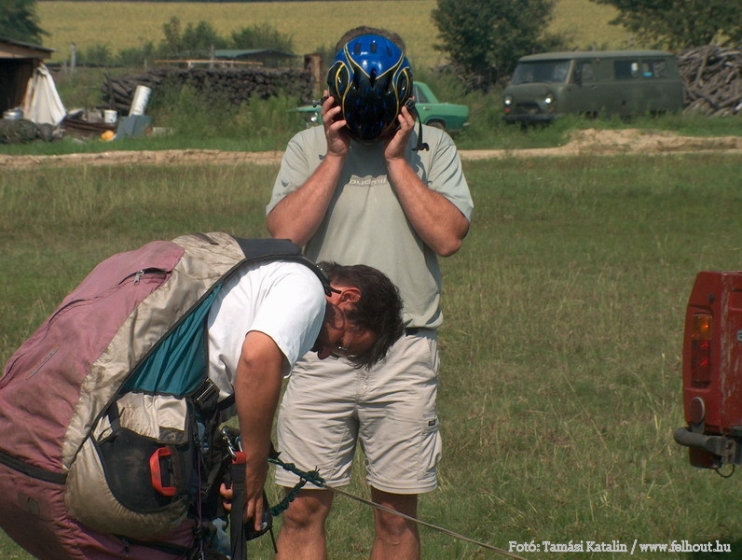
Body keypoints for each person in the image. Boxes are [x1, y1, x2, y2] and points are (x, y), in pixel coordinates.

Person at [0, 236, 404, 560]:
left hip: (41, 453)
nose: (325, 354)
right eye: (342, 342)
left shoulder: (248, 270)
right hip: (111, 459)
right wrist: (254, 469)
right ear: (346, 298)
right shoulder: (306, 287)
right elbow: (257, 361)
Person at [266, 26, 474, 560]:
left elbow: (447, 238)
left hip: (402, 352)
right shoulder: (307, 147)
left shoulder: (434, 147)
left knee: (396, 519)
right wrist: (335, 155)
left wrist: (398, 160)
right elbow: (285, 235)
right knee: (301, 509)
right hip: (320, 352)